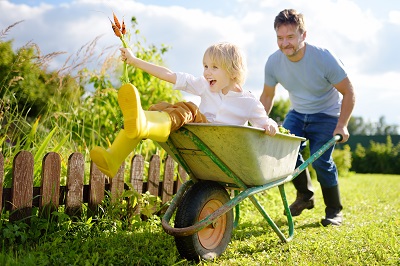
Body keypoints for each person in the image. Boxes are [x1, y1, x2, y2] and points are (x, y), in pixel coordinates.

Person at [90, 42, 278, 178]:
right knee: (160, 109)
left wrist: (271, 126)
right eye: (205, 66)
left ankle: (147, 125)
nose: (207, 72)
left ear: (233, 72)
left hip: (222, 150)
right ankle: (114, 157)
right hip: (201, 143)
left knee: (189, 109)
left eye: (214, 67)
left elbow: (264, 122)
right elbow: (170, 75)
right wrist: (134, 60)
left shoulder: (249, 101)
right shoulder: (205, 85)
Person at [260, 9, 355, 226]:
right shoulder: (273, 62)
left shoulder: (323, 58)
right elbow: (267, 96)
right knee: (286, 154)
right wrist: (259, 121)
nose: (285, 43)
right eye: (280, 38)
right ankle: (305, 195)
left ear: (303, 35)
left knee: (322, 161)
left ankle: (334, 211)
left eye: (290, 37)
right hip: (297, 113)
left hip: (327, 115)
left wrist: (343, 124)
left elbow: (349, 91)